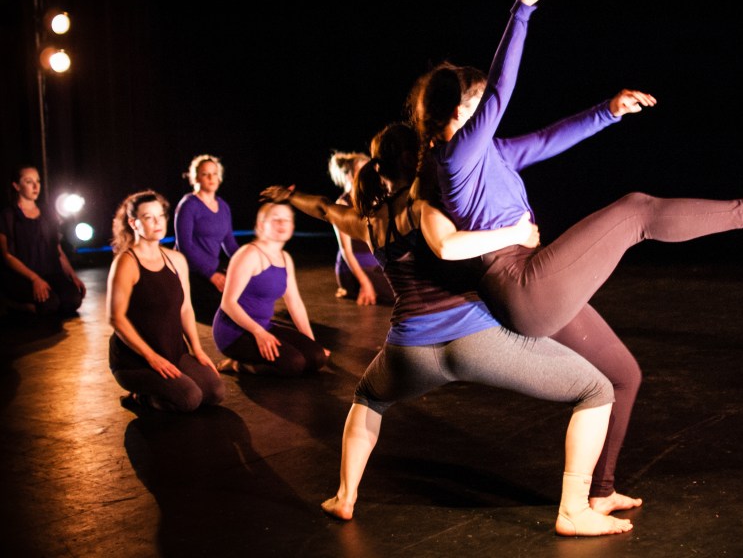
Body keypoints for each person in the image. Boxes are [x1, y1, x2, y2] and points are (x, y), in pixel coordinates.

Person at [409, 0, 743, 505]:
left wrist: (608, 111)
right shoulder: (455, 158)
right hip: (521, 284)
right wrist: (523, 9)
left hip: (534, 286)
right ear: (459, 112)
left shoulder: (491, 155)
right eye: (479, 105)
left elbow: (549, 139)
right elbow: (502, 91)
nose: (490, 115)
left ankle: (600, 492)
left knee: (623, 375)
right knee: (636, 211)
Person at [262, 122, 633, 536]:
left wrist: (289, 197)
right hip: (474, 341)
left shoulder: (368, 223)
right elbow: (448, 246)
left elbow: (323, 208)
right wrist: (516, 233)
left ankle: (345, 497)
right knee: (596, 390)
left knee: (368, 397)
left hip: (407, 351)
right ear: (412, 159)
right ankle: (574, 510)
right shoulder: (424, 207)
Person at [107, 190, 225, 412]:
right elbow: (116, 318)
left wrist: (197, 349)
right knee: (190, 398)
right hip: (136, 361)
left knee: (214, 392)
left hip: (173, 352)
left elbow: (186, 309)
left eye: (160, 216)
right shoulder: (126, 262)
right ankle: (140, 397)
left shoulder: (176, 259)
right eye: (148, 217)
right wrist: (151, 357)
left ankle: (163, 388)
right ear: (133, 223)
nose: (158, 222)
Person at [211, 200, 329, 377]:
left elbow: (295, 303)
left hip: (264, 326)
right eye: (275, 219)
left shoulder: (285, 258)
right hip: (234, 332)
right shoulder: (249, 254)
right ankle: (239, 365)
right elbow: (228, 303)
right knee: (295, 363)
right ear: (261, 225)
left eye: (286, 219)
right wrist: (258, 332)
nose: (282, 223)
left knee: (317, 358)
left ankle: (258, 358)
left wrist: (310, 342)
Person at [0, 164, 85, 316]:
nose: (35, 186)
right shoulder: (9, 215)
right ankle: (16, 305)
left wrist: (72, 275)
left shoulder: (47, 212)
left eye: (38, 181)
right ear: (17, 186)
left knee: (73, 300)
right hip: (24, 276)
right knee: (49, 304)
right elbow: (7, 255)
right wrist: (34, 279)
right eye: (29, 181)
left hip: (50, 273)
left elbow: (57, 250)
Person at [173, 154, 240, 321]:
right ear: (196, 178)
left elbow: (230, 244)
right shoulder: (188, 205)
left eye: (214, 173)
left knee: (244, 300)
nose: (211, 178)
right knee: (226, 313)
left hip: (212, 268)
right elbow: (185, 246)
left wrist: (248, 261)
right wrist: (211, 274)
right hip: (190, 272)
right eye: (205, 174)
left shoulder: (223, 206)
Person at [327, 150, 394, 305]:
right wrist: (366, 283)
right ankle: (353, 287)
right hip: (353, 269)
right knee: (396, 294)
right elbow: (346, 251)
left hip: (374, 265)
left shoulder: (373, 200)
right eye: (362, 170)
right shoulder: (342, 204)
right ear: (350, 176)